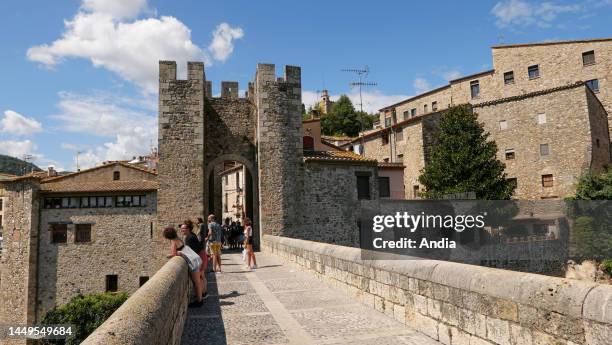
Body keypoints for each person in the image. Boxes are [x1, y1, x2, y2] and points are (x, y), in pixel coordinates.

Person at [163, 226, 203, 308]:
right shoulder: (178, 238)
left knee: (196, 283)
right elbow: (181, 249)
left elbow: (173, 254)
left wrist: (168, 255)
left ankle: (200, 301)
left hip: (193, 262)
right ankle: (199, 298)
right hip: (195, 259)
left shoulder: (174, 241)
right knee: (197, 282)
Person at [181, 220, 208, 300]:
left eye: (183, 228)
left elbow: (191, 251)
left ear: (188, 229)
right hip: (202, 255)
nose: (181, 230)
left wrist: (182, 253)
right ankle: (204, 293)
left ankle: (202, 294)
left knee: (199, 278)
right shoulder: (192, 235)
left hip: (199, 256)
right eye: (181, 228)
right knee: (202, 276)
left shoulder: (189, 238)